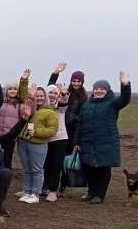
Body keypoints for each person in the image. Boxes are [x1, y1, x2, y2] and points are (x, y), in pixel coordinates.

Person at [73, 72, 131, 204]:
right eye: (96, 89)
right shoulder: (86, 105)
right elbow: (80, 124)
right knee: (89, 169)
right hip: (87, 142)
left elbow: (125, 99)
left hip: (106, 142)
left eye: (102, 89)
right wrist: (76, 141)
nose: (99, 91)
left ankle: (99, 195)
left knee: (102, 169)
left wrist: (125, 85)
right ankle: (91, 192)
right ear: (93, 91)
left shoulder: (112, 103)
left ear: (107, 91)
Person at [16, 85, 59, 204]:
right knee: (26, 168)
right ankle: (27, 191)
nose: (39, 98)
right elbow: (23, 95)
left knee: (36, 169)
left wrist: (36, 132)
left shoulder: (50, 112)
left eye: (41, 96)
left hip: (37, 144)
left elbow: (52, 130)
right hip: (23, 142)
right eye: (37, 95)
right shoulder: (30, 108)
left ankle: (35, 193)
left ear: (45, 97)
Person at [0, 69, 30, 168]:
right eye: (10, 89)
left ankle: (6, 181)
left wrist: (24, 80)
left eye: (15, 89)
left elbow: (24, 117)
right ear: (6, 90)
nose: (12, 91)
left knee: (7, 161)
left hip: (10, 137)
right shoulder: (0, 102)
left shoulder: (19, 104)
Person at [42, 84, 69, 202]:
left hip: (59, 138)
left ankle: (53, 191)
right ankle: (44, 187)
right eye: (50, 92)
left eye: (55, 93)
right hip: (44, 138)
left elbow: (64, 102)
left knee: (56, 165)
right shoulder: (42, 106)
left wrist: (63, 94)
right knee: (45, 165)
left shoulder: (60, 107)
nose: (52, 95)